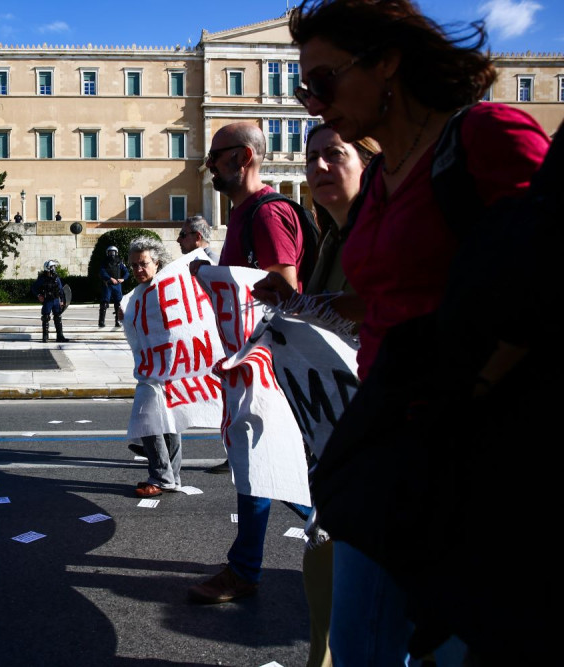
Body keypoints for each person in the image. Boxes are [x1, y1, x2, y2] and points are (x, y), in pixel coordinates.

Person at [289, 0, 551, 662]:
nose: (313, 106)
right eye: (303, 89)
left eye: (322, 83)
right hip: (388, 445)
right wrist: (309, 310)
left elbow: (548, 271)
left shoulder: (486, 137)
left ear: (386, 62)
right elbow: (384, 299)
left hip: (472, 451)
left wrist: (475, 387)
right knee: (360, 643)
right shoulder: (378, 173)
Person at [253, 124, 379, 667]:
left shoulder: (386, 234)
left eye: (334, 155)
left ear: (369, 163)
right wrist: (294, 301)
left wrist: (322, 304)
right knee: (324, 549)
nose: (318, 168)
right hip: (340, 432)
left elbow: (385, 309)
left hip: (382, 431)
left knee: (366, 585)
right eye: (311, 158)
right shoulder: (333, 235)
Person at [187, 121, 305, 605]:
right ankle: (248, 566)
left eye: (215, 156)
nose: (208, 165)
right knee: (261, 463)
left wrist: (218, 277)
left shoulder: (266, 215)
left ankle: (245, 570)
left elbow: (285, 287)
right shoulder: (242, 215)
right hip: (252, 362)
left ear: (243, 157)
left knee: (260, 462)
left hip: (268, 365)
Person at [125, 236, 182, 497]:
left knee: (148, 421)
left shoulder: (165, 287)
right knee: (166, 422)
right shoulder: (139, 292)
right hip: (150, 368)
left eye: (143, 263)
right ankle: (170, 476)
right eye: (134, 265)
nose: (138, 269)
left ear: (156, 262)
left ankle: (161, 476)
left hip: (165, 367)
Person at [31, 260, 68, 343]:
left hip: (55, 300)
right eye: (52, 267)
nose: (54, 268)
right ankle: (45, 337)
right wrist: (38, 295)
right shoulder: (42, 278)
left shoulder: (56, 278)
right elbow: (34, 288)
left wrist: (62, 300)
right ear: (48, 268)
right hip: (47, 300)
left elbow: (61, 289)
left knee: (58, 317)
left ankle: (60, 336)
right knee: (45, 317)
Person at [97, 246, 128, 328]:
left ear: (116, 252)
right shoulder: (104, 262)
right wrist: (110, 278)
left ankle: (118, 321)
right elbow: (102, 272)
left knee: (118, 304)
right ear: (107, 253)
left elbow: (126, 272)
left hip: (117, 285)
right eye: (110, 252)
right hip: (108, 285)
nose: (112, 254)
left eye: (113, 252)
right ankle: (101, 321)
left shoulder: (120, 262)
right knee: (104, 303)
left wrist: (123, 279)